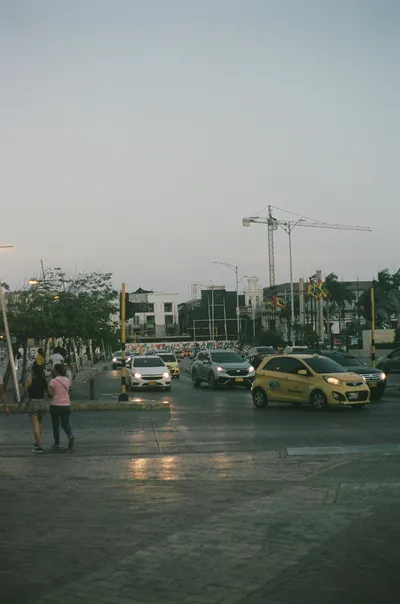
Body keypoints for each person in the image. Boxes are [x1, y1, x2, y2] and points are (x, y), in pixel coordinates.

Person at [21, 363, 49, 453]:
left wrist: (20, 403)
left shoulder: (30, 381)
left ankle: (39, 446)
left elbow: (24, 394)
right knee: (40, 423)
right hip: (42, 403)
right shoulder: (44, 381)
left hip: (33, 403)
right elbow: (49, 392)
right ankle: (37, 442)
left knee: (35, 425)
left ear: (33, 371)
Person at [48, 364, 75, 451]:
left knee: (55, 425)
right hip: (66, 405)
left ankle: (57, 442)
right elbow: (69, 391)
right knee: (66, 424)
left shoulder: (53, 381)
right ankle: (70, 436)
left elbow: (51, 394)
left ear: (56, 371)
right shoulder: (67, 380)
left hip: (55, 405)